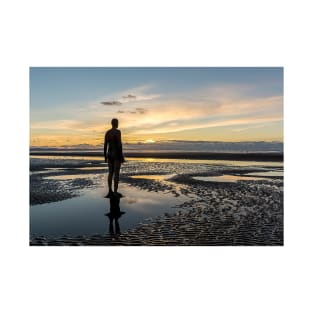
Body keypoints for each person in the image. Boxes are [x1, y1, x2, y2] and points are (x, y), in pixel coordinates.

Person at [104, 118, 125, 197]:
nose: (118, 124)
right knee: (116, 173)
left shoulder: (107, 132)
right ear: (115, 123)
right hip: (116, 154)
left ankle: (110, 191)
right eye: (117, 122)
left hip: (109, 154)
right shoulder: (118, 132)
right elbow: (119, 144)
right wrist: (121, 156)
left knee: (110, 173)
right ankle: (115, 192)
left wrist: (105, 156)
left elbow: (105, 145)